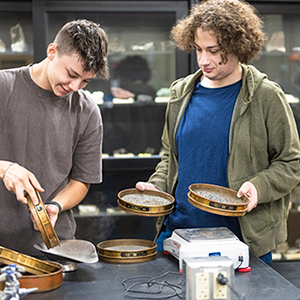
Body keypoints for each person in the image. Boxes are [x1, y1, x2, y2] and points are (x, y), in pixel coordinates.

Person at [136, 0, 300, 263]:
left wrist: (259, 187)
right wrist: (156, 186)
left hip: (242, 241)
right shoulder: (180, 93)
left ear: (238, 46)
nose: (203, 60)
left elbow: (291, 162)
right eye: (198, 49)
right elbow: (171, 158)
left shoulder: (266, 96)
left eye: (213, 50)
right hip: (178, 235)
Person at [0, 19, 109, 257]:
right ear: (52, 51)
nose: (75, 87)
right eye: (71, 74)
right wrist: (5, 168)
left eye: (85, 81)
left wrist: (56, 205)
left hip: (54, 250)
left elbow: (81, 181)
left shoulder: (87, 110)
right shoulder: (3, 87)